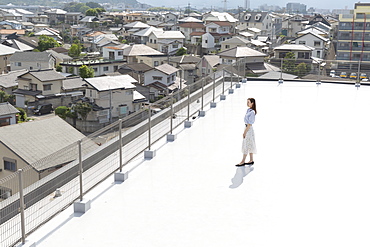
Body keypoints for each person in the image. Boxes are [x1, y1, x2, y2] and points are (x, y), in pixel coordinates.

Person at [236, 98, 257, 166]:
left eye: (248, 102)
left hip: (248, 129)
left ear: (252, 103)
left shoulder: (252, 112)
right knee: (250, 143)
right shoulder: (249, 110)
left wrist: (244, 132)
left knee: (246, 144)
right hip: (247, 128)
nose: (247, 103)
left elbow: (249, 124)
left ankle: (243, 161)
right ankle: (251, 159)